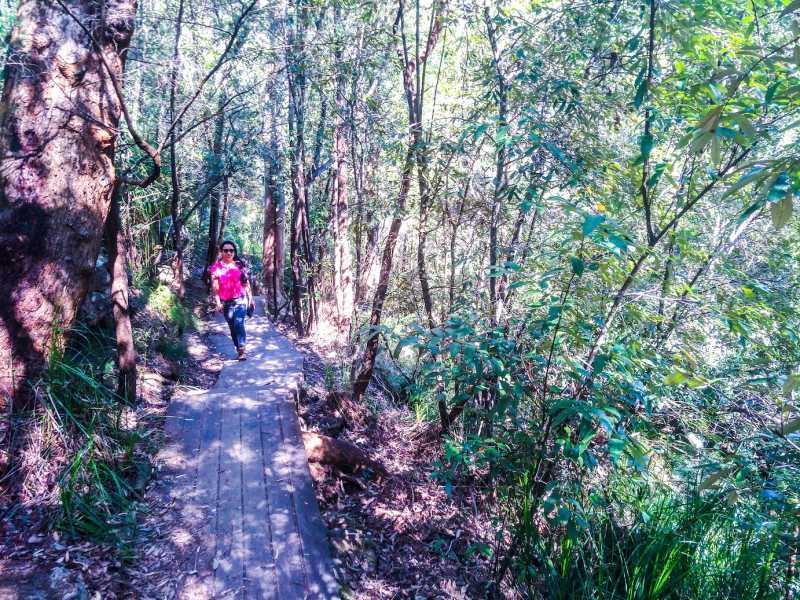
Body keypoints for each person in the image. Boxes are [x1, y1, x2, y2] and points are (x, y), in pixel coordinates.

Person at [209, 240, 255, 360]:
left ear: (234, 252)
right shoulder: (216, 268)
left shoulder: (239, 265)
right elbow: (215, 288)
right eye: (226, 250)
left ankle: (242, 350)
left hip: (240, 300)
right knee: (232, 326)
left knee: (239, 323)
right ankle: (237, 346)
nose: (229, 252)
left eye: (231, 250)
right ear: (221, 252)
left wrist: (250, 299)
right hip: (226, 303)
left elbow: (246, 283)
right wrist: (218, 302)